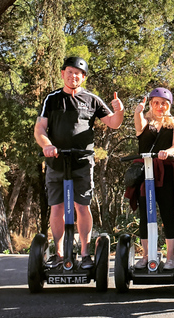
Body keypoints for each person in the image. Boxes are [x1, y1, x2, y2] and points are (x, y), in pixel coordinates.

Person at [34, 56, 124, 269]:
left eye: (78, 73)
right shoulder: (52, 99)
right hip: (56, 161)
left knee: (82, 206)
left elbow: (113, 123)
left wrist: (119, 111)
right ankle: (57, 254)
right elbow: (40, 129)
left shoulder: (91, 99)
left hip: (82, 160)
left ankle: (84, 253)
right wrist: (46, 145)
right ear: (63, 73)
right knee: (56, 207)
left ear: (83, 77)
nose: (73, 76)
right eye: (70, 72)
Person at [125, 87, 174, 270]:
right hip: (145, 172)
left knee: (167, 213)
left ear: (169, 105)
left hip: (165, 172)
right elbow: (139, 126)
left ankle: (170, 257)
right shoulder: (146, 123)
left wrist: (167, 152)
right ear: (151, 104)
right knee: (145, 214)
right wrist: (138, 112)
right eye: (156, 103)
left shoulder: (173, 124)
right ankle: (146, 255)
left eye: (164, 103)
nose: (160, 106)